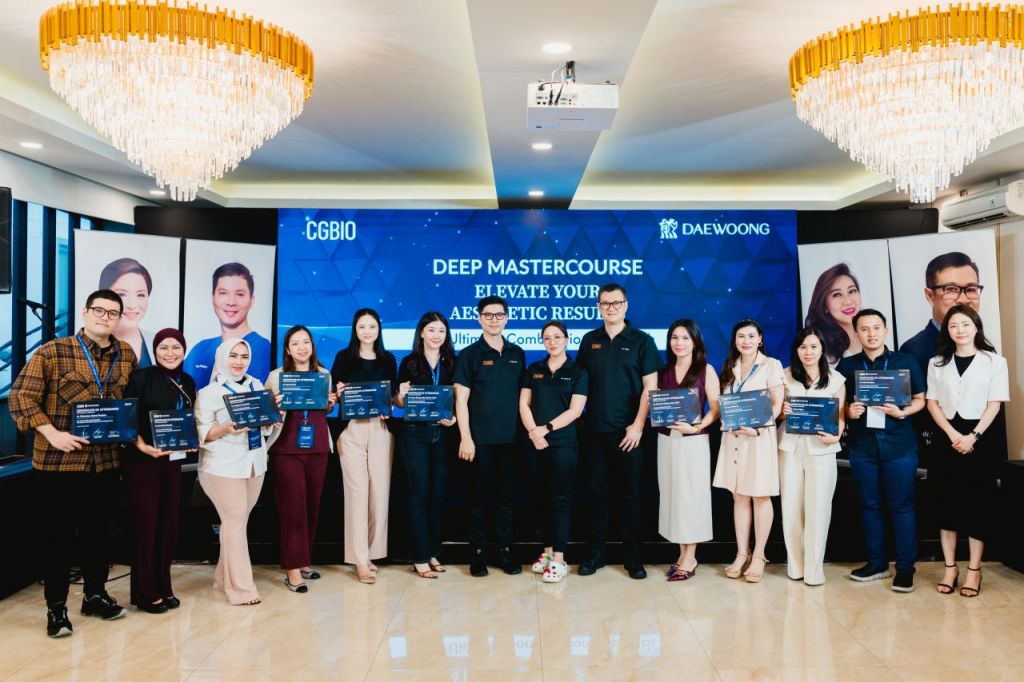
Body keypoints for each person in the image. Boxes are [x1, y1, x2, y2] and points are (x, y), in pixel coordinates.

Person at [10, 289, 137, 637]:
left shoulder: (126, 355)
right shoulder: (53, 351)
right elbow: (21, 397)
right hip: (59, 464)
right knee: (58, 539)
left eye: (112, 313)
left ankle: (95, 596)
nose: (105, 317)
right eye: (99, 310)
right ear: (85, 312)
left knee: (99, 536)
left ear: (119, 318)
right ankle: (57, 609)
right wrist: (51, 433)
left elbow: (130, 402)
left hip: (105, 462)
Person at [575, 283, 662, 580]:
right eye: (605, 303)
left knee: (631, 497)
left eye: (616, 303)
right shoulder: (589, 341)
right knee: (596, 496)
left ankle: (633, 559)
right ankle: (595, 554)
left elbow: (651, 387)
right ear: (598, 307)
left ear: (626, 305)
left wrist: (637, 426)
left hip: (630, 434)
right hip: (594, 432)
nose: (611, 308)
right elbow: (579, 384)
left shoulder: (642, 341)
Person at [837, 309, 926, 592]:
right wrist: (848, 411)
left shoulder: (905, 361)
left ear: (885, 331)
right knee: (870, 505)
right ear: (857, 333)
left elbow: (921, 399)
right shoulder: (847, 366)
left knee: (902, 506)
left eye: (876, 328)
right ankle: (877, 563)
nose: (871, 334)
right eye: (864, 329)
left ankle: (905, 568)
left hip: (899, 445)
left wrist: (902, 412)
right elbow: (839, 404)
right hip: (863, 447)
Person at [926, 305, 1009, 597]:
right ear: (947, 331)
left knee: (978, 504)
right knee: (946, 503)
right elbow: (932, 402)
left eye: (965, 324)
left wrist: (973, 436)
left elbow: (995, 404)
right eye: (953, 326)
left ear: (976, 327)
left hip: (980, 439)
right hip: (947, 438)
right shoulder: (937, 363)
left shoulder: (995, 362)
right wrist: (952, 434)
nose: (960, 330)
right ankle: (950, 568)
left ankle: (974, 570)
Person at [195, 338, 279, 605]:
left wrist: (273, 416)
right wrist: (225, 429)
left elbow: (266, 427)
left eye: (244, 356)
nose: (239, 361)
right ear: (222, 357)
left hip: (254, 463)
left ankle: (223, 580)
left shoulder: (257, 386)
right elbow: (202, 432)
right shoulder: (208, 393)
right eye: (233, 355)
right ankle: (242, 589)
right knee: (233, 520)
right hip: (222, 465)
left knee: (237, 523)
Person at [123, 328, 197, 613]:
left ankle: (164, 587)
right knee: (146, 526)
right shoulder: (141, 378)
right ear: (155, 351)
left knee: (168, 526)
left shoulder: (188, 381)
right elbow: (127, 417)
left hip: (173, 463)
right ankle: (145, 593)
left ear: (184, 350)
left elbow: (187, 419)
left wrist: (191, 440)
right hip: (143, 462)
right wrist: (141, 445)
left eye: (176, 347)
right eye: (163, 347)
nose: (170, 353)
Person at [453, 296, 526, 577]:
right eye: (488, 315)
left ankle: (504, 553)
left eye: (499, 315)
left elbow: (523, 398)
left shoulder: (517, 353)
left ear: (507, 318)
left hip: (510, 440)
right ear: (479, 318)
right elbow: (461, 400)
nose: (494, 320)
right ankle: (478, 556)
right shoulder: (469, 354)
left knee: (506, 502)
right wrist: (466, 437)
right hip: (479, 441)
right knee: (478, 502)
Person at [265, 326, 337, 593]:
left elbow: (325, 408)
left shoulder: (324, 374)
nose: (302, 347)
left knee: (311, 506)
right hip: (287, 449)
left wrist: (330, 403)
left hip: (317, 447)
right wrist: (275, 406)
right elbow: (266, 413)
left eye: (306, 342)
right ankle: (293, 570)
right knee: (292, 509)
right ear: (288, 349)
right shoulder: (276, 376)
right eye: (296, 343)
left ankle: (304, 559)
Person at [713, 319, 785, 583]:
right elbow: (726, 403)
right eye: (741, 336)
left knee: (760, 496)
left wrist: (757, 427)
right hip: (733, 439)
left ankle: (759, 556)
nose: (746, 341)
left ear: (760, 339)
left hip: (758, 438)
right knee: (739, 496)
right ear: (735, 340)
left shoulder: (771, 365)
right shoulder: (729, 367)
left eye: (751, 336)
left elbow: (777, 405)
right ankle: (742, 553)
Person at [331, 308, 398, 584]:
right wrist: (338, 393)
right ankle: (359, 558)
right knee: (357, 495)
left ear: (378, 329)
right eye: (362, 326)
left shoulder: (388, 359)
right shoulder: (343, 358)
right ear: (355, 330)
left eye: (372, 326)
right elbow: (333, 395)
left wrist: (390, 405)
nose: (367, 331)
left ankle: (372, 553)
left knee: (379, 496)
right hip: (352, 430)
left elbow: (392, 397)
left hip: (380, 430)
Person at [520, 320, 588, 584]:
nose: (552, 342)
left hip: (563, 444)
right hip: (535, 443)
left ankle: (560, 559)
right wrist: (533, 432)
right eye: (547, 338)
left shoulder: (578, 371)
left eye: (557, 337)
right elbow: (524, 404)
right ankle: (547, 554)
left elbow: (575, 410)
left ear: (566, 340)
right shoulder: (534, 369)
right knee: (542, 499)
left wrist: (545, 429)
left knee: (560, 500)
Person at [779, 327, 846, 586]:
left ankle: (814, 570)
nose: (808, 352)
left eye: (814, 346)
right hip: (790, 448)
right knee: (791, 507)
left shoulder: (836, 379)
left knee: (819, 508)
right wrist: (782, 411)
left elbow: (840, 416)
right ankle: (795, 566)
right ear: (796, 350)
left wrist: (836, 436)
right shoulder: (784, 376)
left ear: (822, 349)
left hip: (822, 448)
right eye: (803, 347)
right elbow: (775, 412)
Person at [656, 319, 720, 582]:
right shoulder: (664, 372)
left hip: (694, 442)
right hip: (667, 440)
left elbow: (716, 409)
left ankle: (691, 556)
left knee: (692, 497)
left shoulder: (706, 369)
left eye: (685, 338)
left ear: (695, 342)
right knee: (673, 496)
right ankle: (682, 553)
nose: (679, 343)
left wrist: (697, 427)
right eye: (675, 338)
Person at [395, 312, 458, 579]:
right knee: (418, 495)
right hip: (415, 435)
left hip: (443, 435)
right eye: (431, 330)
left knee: (437, 495)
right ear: (421, 333)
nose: (436, 335)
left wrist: (454, 418)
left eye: (441, 331)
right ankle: (419, 556)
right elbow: (399, 403)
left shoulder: (453, 362)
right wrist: (401, 395)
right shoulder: (409, 362)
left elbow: (459, 399)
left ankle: (433, 552)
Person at [185, 262, 271, 387]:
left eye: (240, 294)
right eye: (223, 293)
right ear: (213, 298)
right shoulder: (201, 349)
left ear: (251, 300)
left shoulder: (262, 349)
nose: (231, 302)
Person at [899, 252, 983, 376]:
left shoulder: (985, 348)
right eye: (951, 289)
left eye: (971, 289)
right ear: (930, 296)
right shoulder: (912, 353)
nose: (964, 299)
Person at [99, 258, 155, 368]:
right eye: (122, 295)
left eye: (140, 295)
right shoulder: (89, 345)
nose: (132, 305)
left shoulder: (159, 342)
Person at [804, 263, 862, 365]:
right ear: (824, 305)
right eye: (837, 294)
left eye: (852, 291)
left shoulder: (872, 334)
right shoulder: (820, 348)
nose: (848, 301)